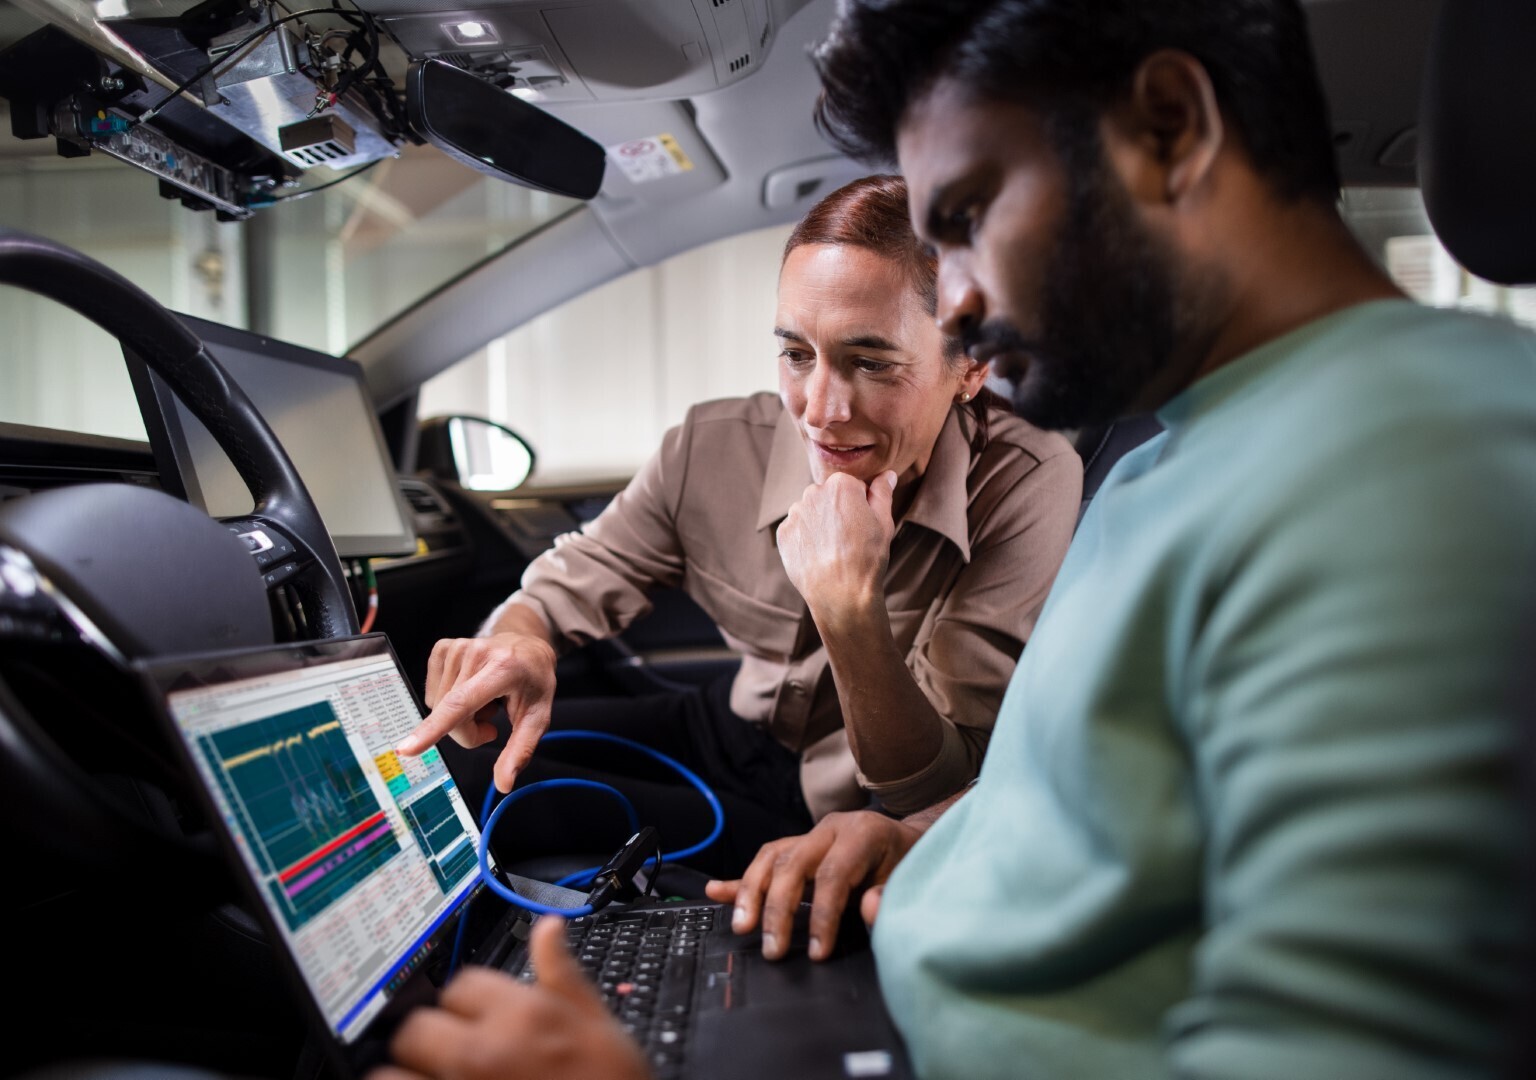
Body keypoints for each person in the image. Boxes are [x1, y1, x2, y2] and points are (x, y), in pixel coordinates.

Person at [371, 1, 1536, 1078]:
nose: (962, 308)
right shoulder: (1175, 463)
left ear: (1169, 129)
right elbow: (1063, 804)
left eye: (970, 219)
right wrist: (912, 837)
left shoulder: (1407, 465)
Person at [397, 174, 1081, 873]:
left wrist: (847, 610)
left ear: (971, 368)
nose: (820, 409)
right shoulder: (712, 445)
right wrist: (519, 640)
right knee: (446, 762)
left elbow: (928, 787)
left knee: (508, 805)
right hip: (725, 726)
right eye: (796, 354)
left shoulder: (1026, 481)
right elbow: (572, 580)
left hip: (845, 814)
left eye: (870, 362)